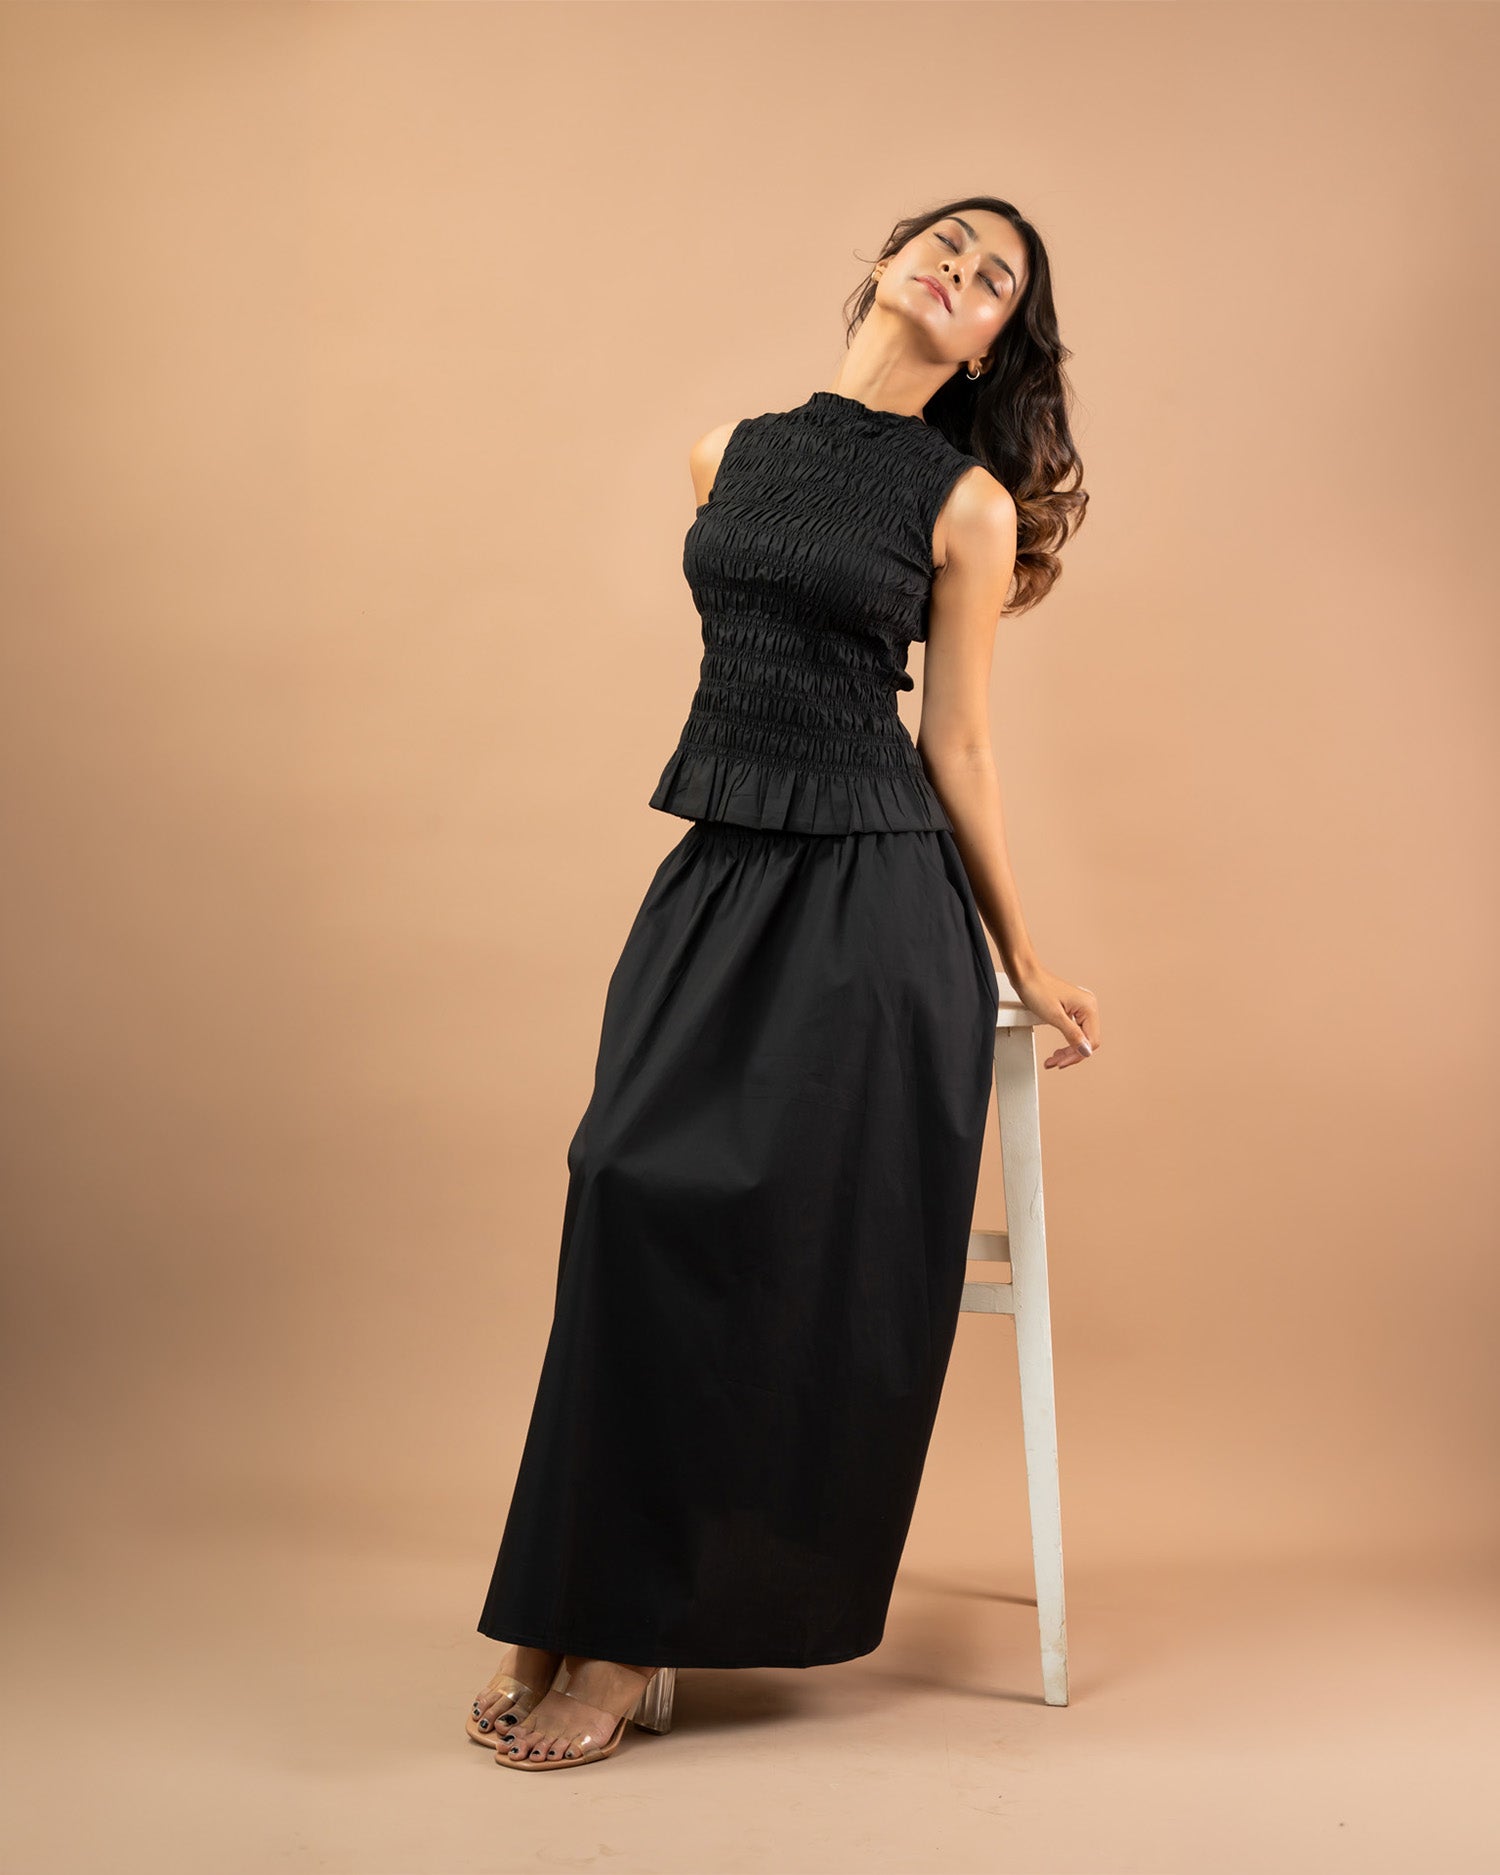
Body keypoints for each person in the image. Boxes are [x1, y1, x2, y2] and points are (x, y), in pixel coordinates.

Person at [468, 196, 1099, 1771]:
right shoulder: (727, 451)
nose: (963, 268)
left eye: (997, 278)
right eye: (950, 241)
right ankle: (575, 1591)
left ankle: (625, 1644)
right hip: (722, 865)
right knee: (619, 1180)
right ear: (891, 260)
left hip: (869, 894)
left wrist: (1020, 944)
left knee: (735, 1219)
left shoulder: (964, 503)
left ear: (991, 343)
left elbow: (954, 740)